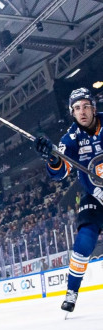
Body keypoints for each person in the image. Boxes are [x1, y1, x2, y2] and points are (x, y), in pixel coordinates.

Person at [35, 87, 102, 314]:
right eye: (77, 108)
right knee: (84, 241)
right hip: (95, 196)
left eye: (85, 106)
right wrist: (52, 158)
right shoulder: (71, 138)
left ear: (93, 108)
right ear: (72, 112)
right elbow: (60, 172)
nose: (82, 111)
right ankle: (71, 293)